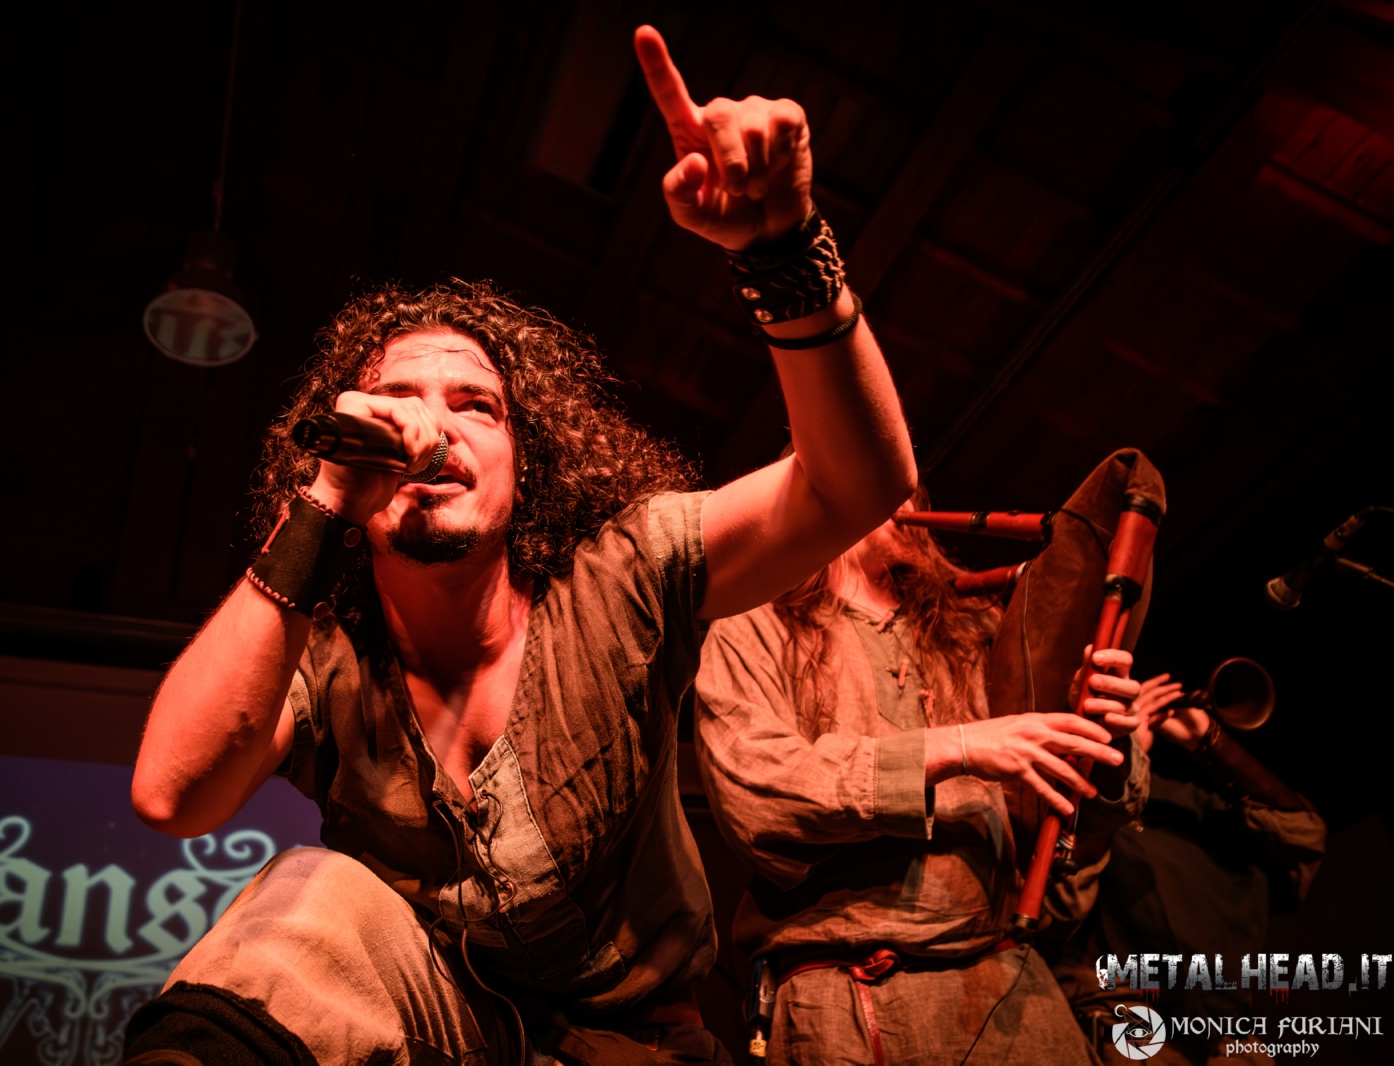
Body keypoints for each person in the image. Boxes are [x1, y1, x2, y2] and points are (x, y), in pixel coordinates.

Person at [124, 26, 918, 1066]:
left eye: (476, 405)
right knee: (310, 892)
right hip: (435, 1032)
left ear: (524, 465)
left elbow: (855, 486)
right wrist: (323, 498)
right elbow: (172, 794)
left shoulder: (625, 579)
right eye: (396, 399)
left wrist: (786, 252)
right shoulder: (325, 660)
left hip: (639, 1046)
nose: (431, 426)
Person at [691, 498, 1149, 1066]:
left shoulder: (976, 625)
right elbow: (757, 799)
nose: (908, 499)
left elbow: (1064, 816)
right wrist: (959, 747)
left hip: (1008, 979)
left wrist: (1099, 736)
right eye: (887, 481)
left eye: (913, 486)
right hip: (845, 993)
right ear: (827, 488)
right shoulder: (753, 624)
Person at [1049, 673, 1328, 1066]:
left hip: (1229, 1039)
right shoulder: (1074, 813)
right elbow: (1059, 908)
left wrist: (1209, 739)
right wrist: (1125, 759)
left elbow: (1305, 834)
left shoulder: (1192, 805)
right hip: (1131, 1026)